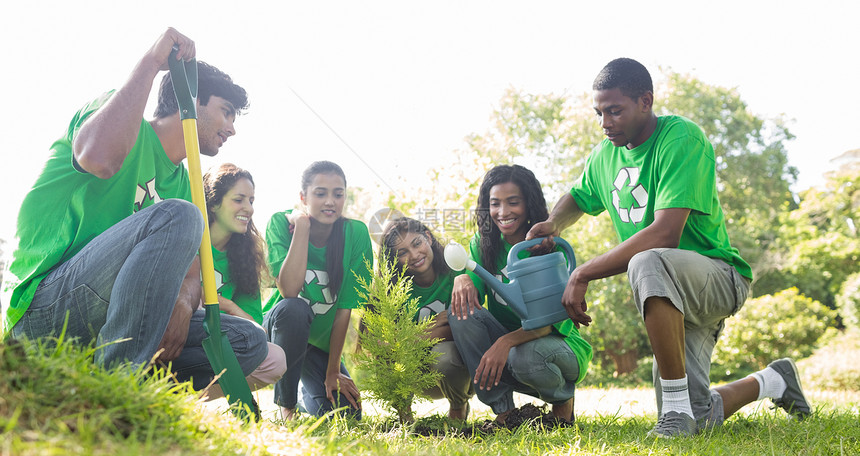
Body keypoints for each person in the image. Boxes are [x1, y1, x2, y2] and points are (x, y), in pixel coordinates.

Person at [527, 57, 810, 437]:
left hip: (718, 277)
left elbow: (665, 235)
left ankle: (673, 413)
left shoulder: (682, 139)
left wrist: (582, 273)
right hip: (670, 292)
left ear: (646, 101)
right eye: (599, 113)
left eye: (614, 111)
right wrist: (554, 222)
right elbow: (579, 195)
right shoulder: (604, 156)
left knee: (646, 260)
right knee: (700, 415)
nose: (605, 123)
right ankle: (775, 380)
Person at [5, 28, 269, 391]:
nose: (232, 129)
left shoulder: (184, 184)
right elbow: (98, 159)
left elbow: (193, 275)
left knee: (248, 339)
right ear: (189, 101)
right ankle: (116, 388)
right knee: (180, 215)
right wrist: (151, 63)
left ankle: (127, 379)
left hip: (113, 320)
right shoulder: (116, 115)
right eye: (226, 112)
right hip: (45, 309)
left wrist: (183, 299)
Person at [448, 164, 593, 424]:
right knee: (461, 311)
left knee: (524, 355)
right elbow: (472, 303)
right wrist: (461, 278)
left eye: (513, 202)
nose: (503, 213)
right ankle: (505, 413)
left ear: (528, 204)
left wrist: (504, 343)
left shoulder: (549, 247)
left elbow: (550, 324)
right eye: (495, 204)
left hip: (556, 346)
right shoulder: (482, 244)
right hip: (512, 345)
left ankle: (562, 404)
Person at [263, 160, 372, 420]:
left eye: (338, 194)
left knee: (347, 414)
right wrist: (302, 227)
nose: (330, 201)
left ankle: (304, 399)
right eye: (320, 193)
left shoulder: (355, 233)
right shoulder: (280, 223)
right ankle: (286, 406)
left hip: (317, 347)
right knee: (295, 308)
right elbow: (289, 290)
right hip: (279, 333)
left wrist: (333, 371)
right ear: (303, 197)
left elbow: (345, 309)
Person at [201, 163, 287, 399]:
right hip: (176, 332)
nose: (248, 208)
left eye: (251, 200)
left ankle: (187, 397)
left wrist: (226, 305)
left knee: (275, 360)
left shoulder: (246, 258)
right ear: (214, 202)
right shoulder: (190, 239)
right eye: (239, 200)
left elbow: (254, 327)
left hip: (214, 338)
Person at [376, 217, 475, 420]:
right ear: (394, 259)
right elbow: (383, 344)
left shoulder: (456, 270)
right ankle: (404, 417)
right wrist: (438, 322)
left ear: (428, 237)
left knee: (444, 353)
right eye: (402, 252)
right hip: (418, 375)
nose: (414, 255)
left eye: (417, 243)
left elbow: (468, 324)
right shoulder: (391, 290)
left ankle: (458, 409)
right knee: (384, 358)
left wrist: (410, 337)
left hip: (463, 370)